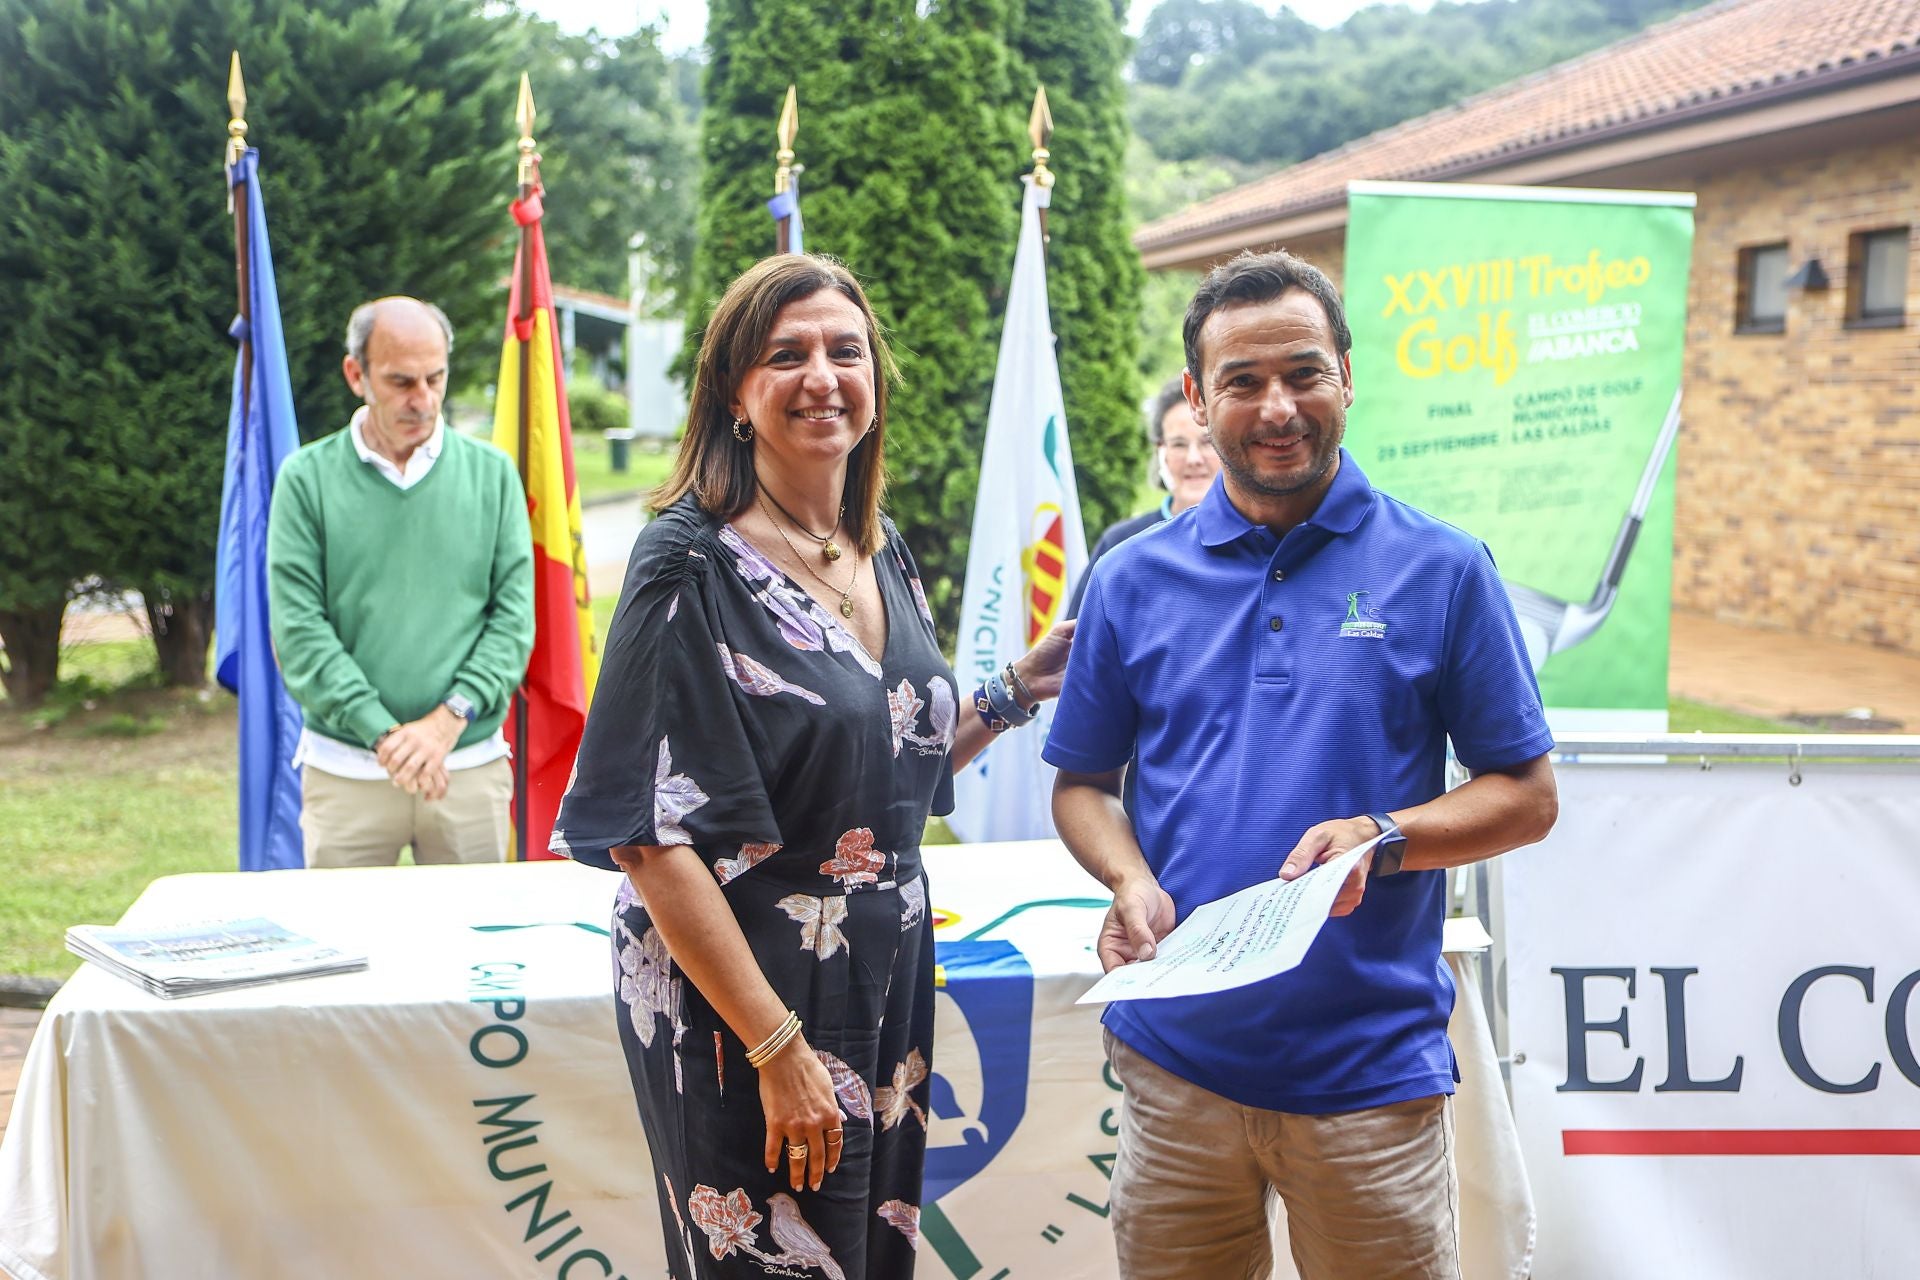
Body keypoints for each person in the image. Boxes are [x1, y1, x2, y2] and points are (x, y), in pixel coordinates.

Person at [549, 255, 1072, 1280]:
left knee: (869, 1256)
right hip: (745, 992)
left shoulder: (879, 552)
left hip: (884, 972)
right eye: (786, 355)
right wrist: (778, 1047)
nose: (822, 375)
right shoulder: (688, 561)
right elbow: (650, 838)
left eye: (846, 349)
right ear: (736, 396)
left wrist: (1012, 691)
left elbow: (880, 772)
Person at [1045, 250, 1558, 1280]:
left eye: (1303, 372)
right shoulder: (1130, 577)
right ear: (1199, 396)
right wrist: (1127, 876)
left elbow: (1527, 795)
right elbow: (1084, 782)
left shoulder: (1443, 568)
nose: (1277, 406)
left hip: (1369, 1072)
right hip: (1176, 1062)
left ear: (1347, 377)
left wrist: (1390, 833)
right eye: (1243, 381)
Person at [267, 296, 533, 868]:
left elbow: (512, 623)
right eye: (401, 382)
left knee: (476, 952)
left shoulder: (493, 476)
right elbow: (298, 629)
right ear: (355, 374)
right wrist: (384, 734)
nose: (425, 399)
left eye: (436, 378)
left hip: (466, 769)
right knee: (346, 951)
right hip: (348, 776)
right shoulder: (305, 480)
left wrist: (444, 724)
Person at [1064, 374, 1221, 618]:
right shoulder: (1120, 543)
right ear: (1161, 452)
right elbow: (1076, 647)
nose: (1193, 459)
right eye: (1178, 444)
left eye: (1207, 442)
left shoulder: (1259, 538)